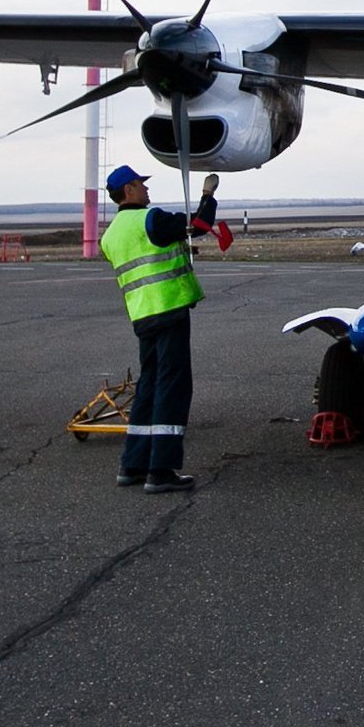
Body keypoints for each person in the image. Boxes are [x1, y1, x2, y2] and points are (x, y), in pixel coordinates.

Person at [99, 163, 223, 494]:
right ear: (129, 190)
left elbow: (148, 252)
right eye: (141, 184)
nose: (147, 190)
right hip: (169, 309)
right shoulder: (150, 218)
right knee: (173, 387)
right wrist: (208, 195)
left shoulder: (110, 236)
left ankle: (133, 465)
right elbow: (198, 225)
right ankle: (161, 470)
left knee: (149, 386)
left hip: (142, 317)